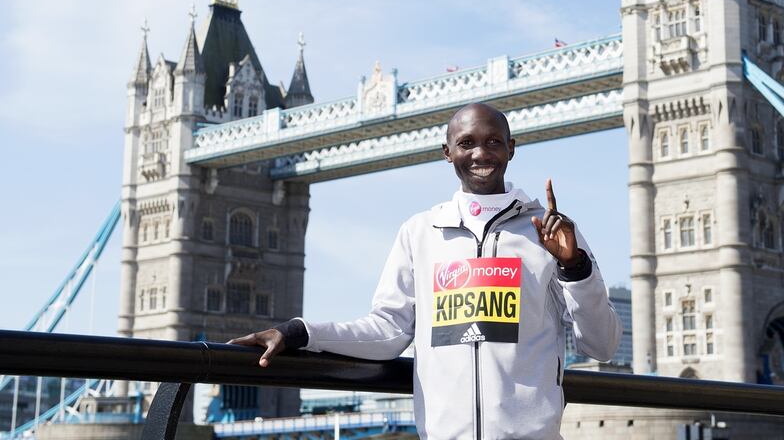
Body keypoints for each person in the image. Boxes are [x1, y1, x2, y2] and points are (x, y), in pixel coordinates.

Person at [229, 102, 621, 439]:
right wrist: (299, 332)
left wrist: (575, 267)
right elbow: (388, 331)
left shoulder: (552, 231)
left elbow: (600, 345)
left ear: (511, 149)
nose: (480, 153)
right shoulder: (419, 232)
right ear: (447, 153)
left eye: (493, 141)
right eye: (466, 143)